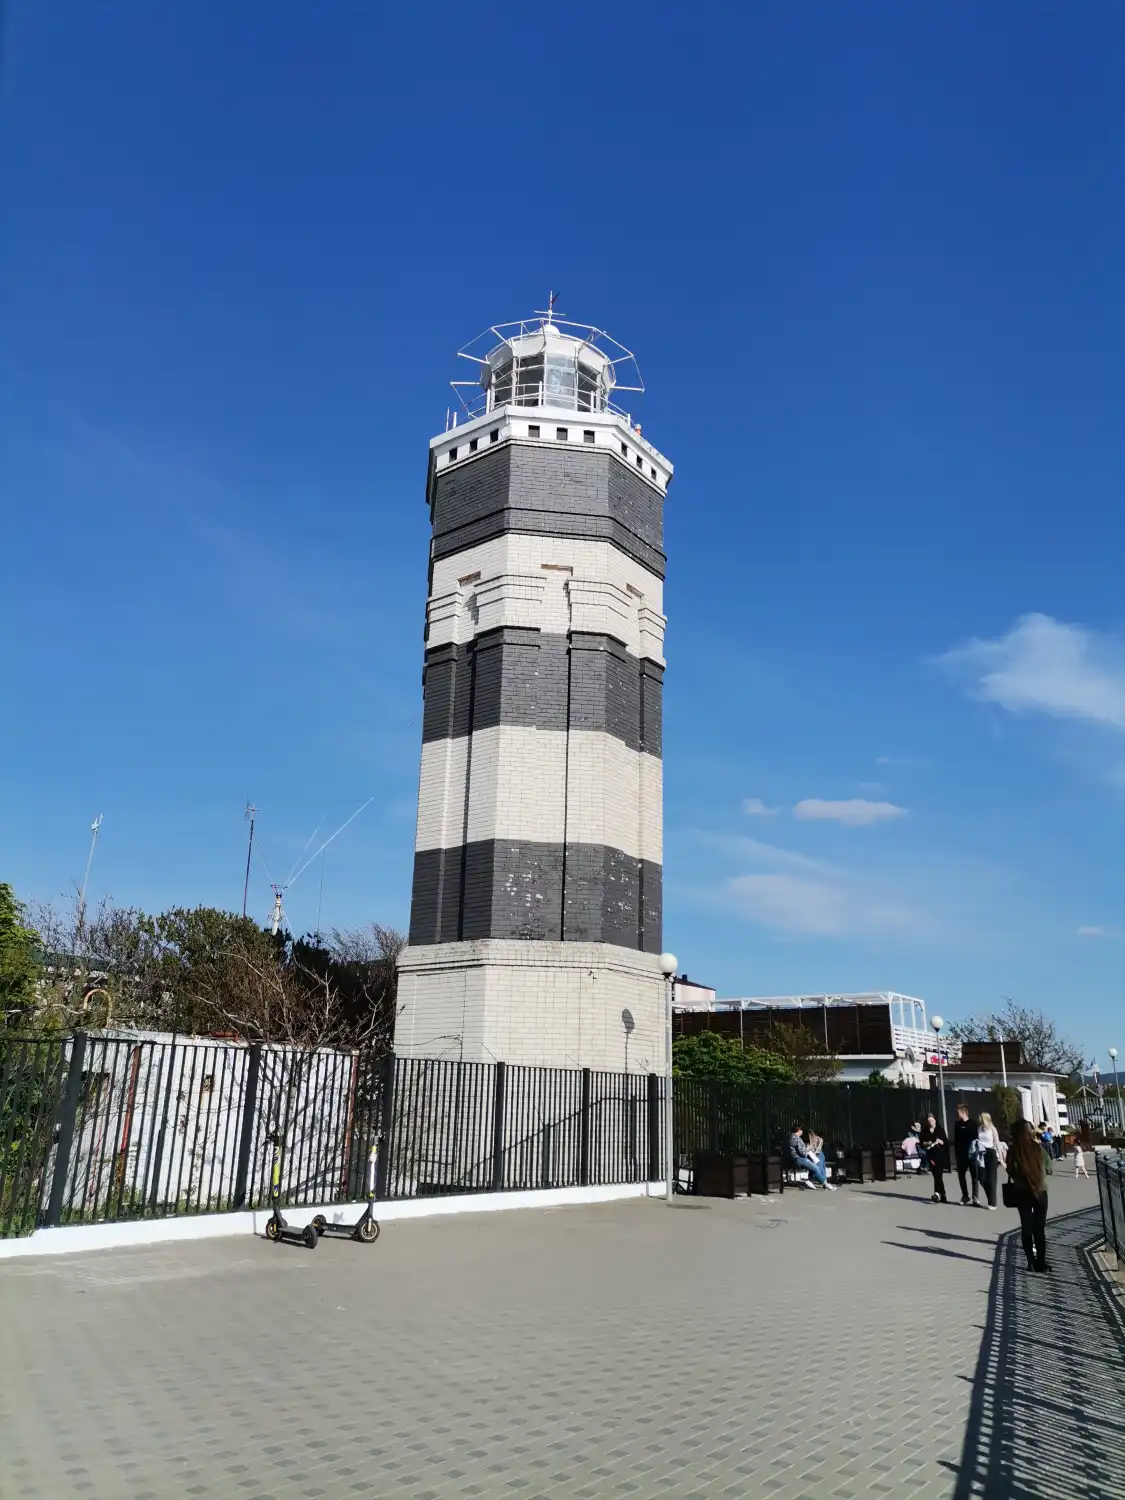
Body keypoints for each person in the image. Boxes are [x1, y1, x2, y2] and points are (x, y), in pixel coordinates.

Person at [1006, 1117, 1050, 1272]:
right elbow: (1050, 1168)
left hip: (1021, 1192)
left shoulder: (1013, 1150)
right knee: (1039, 1228)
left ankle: (1030, 1261)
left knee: (1026, 1226)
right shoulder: (1038, 1148)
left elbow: (1010, 1170)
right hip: (1040, 1191)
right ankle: (1041, 1263)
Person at [787, 1123, 837, 1190]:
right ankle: (825, 1184)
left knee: (817, 1165)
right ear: (799, 1130)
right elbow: (802, 1152)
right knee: (816, 1168)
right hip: (800, 1159)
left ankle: (818, 1181)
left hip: (799, 1158)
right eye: (801, 1130)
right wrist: (809, 1148)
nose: (802, 1132)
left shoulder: (793, 1137)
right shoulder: (795, 1138)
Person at [919, 1113, 949, 1202]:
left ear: (935, 1120)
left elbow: (946, 1142)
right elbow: (921, 1142)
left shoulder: (940, 1129)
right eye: (929, 1121)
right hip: (931, 1155)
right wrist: (927, 1143)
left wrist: (940, 1141)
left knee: (938, 1175)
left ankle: (936, 1194)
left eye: (932, 1121)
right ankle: (942, 1195)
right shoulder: (925, 1130)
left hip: (940, 1154)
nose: (931, 1123)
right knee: (936, 1175)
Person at [953, 1103, 979, 1206]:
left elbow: (976, 1138)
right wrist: (957, 1155)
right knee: (961, 1176)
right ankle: (965, 1196)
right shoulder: (957, 1124)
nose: (957, 1114)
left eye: (958, 1112)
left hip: (972, 1155)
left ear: (963, 1112)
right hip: (961, 1155)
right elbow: (956, 1140)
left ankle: (975, 1198)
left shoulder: (973, 1124)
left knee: (974, 1177)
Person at [977, 1111, 1000, 1209]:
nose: (979, 1119)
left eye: (980, 1117)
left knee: (991, 1179)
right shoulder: (979, 1128)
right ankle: (990, 1197)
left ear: (984, 1118)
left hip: (991, 1152)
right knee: (981, 1178)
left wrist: (1001, 1158)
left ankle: (992, 1203)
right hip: (981, 1153)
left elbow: (997, 1142)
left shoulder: (992, 1129)